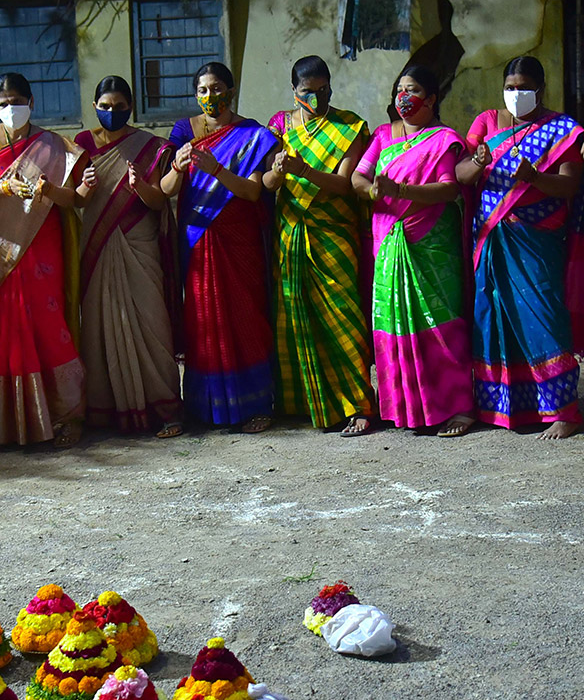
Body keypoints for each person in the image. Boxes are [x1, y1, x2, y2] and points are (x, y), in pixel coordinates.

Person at [456, 55, 584, 439]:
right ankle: (497, 404)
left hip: (536, 238)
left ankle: (562, 409)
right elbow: (461, 174)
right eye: (510, 88)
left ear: (541, 90)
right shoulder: (488, 123)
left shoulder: (563, 130)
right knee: (490, 314)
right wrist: (477, 163)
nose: (516, 94)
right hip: (492, 237)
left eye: (524, 88)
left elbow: (569, 186)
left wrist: (535, 178)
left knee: (543, 313)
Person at [0, 72, 91, 448]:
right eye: (3, 103)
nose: (11, 109)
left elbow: (75, 199)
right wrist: (3, 187)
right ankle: (3, 422)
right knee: (3, 328)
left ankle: (65, 415)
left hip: (43, 244)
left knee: (49, 324)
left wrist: (51, 189)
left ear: (32, 103)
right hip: (0, 250)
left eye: (17, 101)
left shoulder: (54, 145)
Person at [351, 65, 474, 437]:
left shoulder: (444, 139)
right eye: (400, 90)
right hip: (389, 238)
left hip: (432, 242)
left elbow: (449, 188)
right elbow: (359, 176)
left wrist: (401, 192)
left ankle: (459, 409)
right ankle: (405, 407)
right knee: (394, 322)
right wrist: (372, 190)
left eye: (413, 90)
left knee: (438, 321)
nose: (404, 97)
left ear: (432, 98)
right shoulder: (384, 135)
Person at [162, 62, 279, 433]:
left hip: (239, 238)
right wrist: (178, 168)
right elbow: (166, 190)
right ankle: (205, 407)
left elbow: (253, 190)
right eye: (202, 90)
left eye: (216, 89)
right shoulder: (183, 132)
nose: (210, 97)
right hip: (198, 239)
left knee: (245, 315)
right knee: (204, 320)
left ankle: (256, 405)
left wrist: (216, 171)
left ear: (231, 91)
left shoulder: (252, 134)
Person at [264, 55, 375, 435]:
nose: (317, 98)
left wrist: (306, 172)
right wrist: (277, 173)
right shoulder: (279, 126)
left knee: (343, 316)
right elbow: (266, 182)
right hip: (291, 232)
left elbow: (346, 183)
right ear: (294, 93)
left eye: (324, 90)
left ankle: (357, 404)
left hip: (333, 233)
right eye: (308, 92)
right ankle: (303, 402)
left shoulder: (349, 126)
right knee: (294, 315)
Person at [73, 75, 181, 436]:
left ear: (130, 108)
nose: (112, 113)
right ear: (94, 108)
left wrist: (139, 187)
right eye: (105, 107)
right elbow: (77, 200)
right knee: (99, 326)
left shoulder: (151, 148)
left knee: (152, 324)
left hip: (139, 244)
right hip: (97, 244)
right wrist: (85, 188)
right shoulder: (82, 145)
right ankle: (108, 411)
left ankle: (165, 409)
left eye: (119, 107)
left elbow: (158, 200)